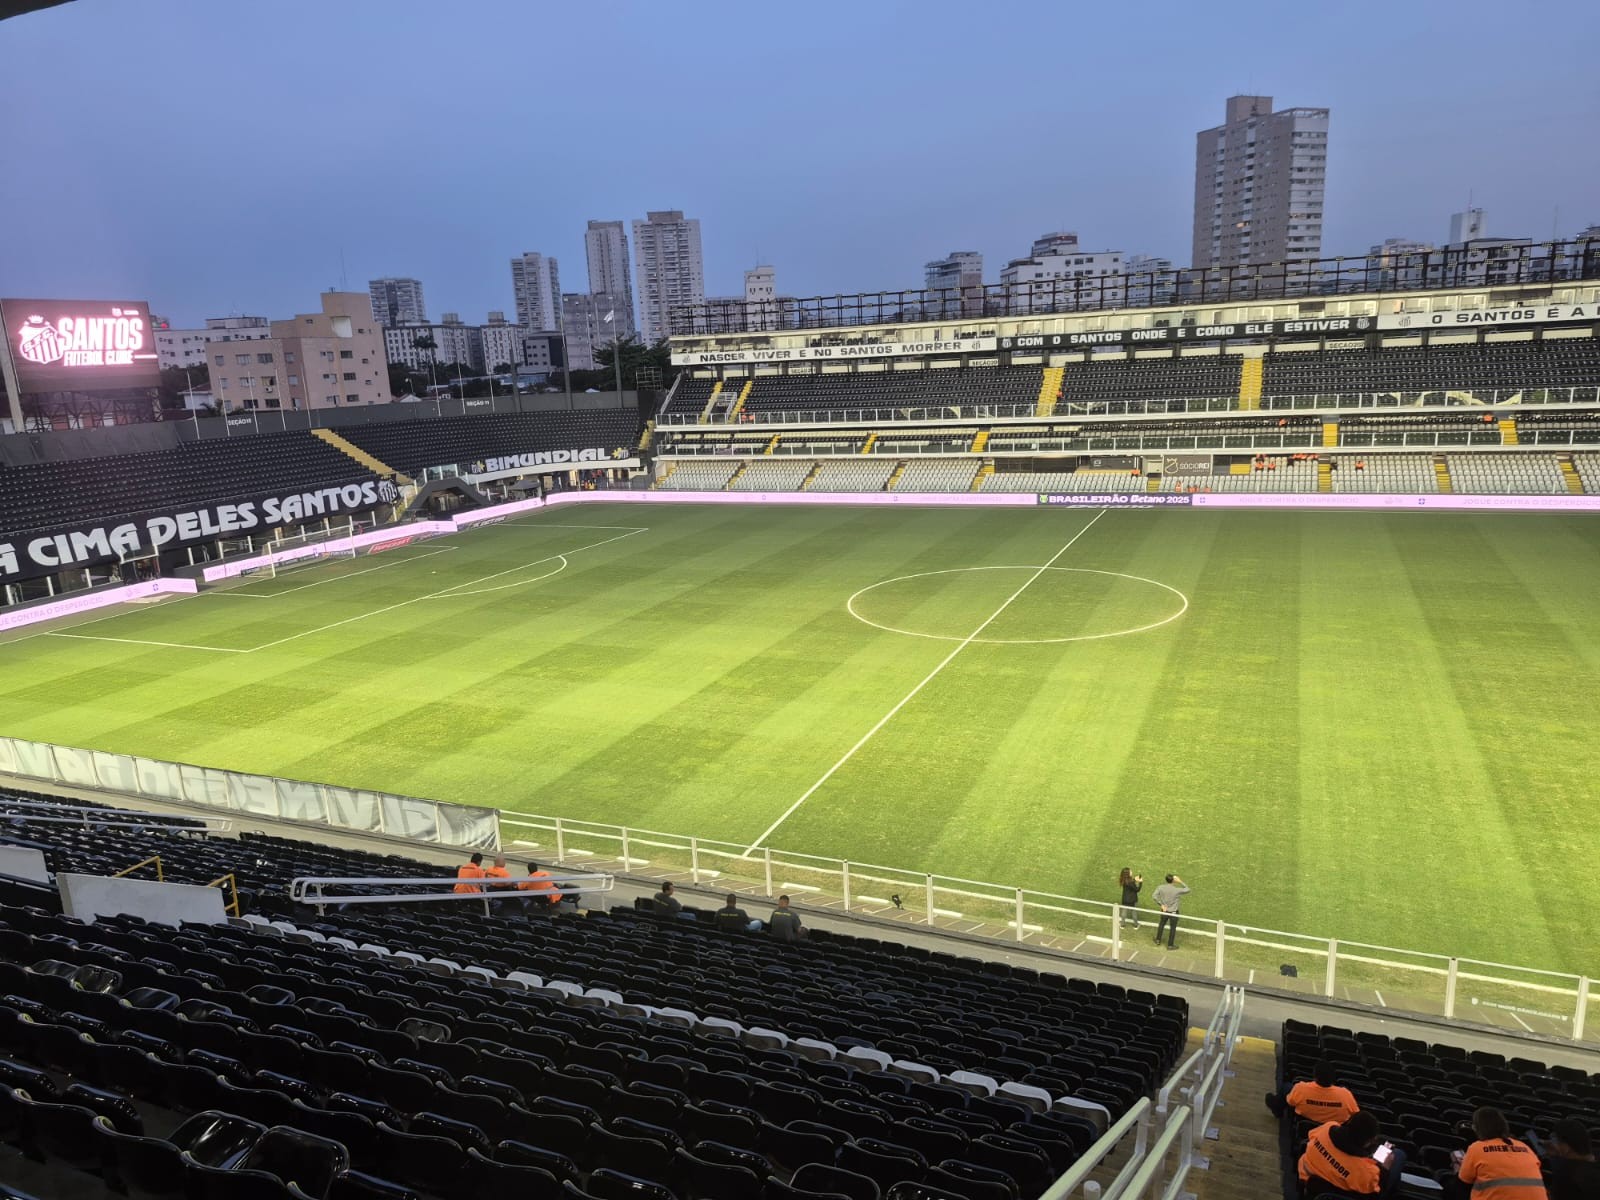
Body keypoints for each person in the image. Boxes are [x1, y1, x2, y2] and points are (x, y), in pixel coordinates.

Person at [1446, 1108, 1548, 1200]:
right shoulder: (1525, 1147)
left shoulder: (1477, 1148)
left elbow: (1462, 1184)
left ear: (1477, 1128)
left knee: (1452, 1186)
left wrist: (1457, 1167)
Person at [1299, 1111, 1406, 1197]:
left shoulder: (1327, 1128)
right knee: (1399, 1154)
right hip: (1339, 1193)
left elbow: (1310, 1137)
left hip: (1309, 1182)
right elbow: (1377, 1191)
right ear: (1368, 1142)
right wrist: (1385, 1169)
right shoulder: (1367, 1173)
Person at [1267, 1061, 1360, 1123]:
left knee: (1286, 1087)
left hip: (1305, 1126)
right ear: (1333, 1079)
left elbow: (1290, 1101)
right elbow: (1356, 1114)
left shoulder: (1301, 1088)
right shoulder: (1346, 1095)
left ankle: (1277, 1107)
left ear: (1315, 1076)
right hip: (1331, 1132)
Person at [1538, 1117, 1600, 1200]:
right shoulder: (1595, 1153)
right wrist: (1558, 1154)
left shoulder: (1566, 1176)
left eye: (1555, 1139)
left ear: (1567, 1146)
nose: (1553, 1142)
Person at [1152, 873, 1190, 949]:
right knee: (1173, 928)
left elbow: (1154, 896)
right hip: (1174, 913)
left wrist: (1161, 904)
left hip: (1164, 911)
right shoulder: (1177, 890)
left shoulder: (1160, 887)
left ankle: (1158, 940)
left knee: (1161, 925)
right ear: (1173, 881)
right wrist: (1180, 881)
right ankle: (1170, 945)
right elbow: (1188, 889)